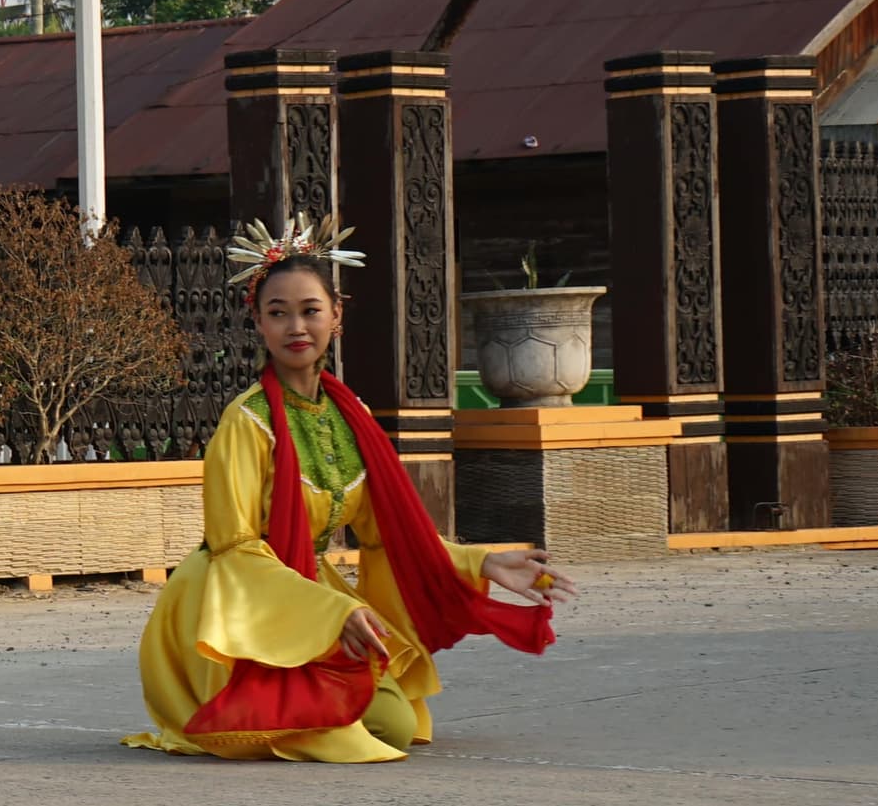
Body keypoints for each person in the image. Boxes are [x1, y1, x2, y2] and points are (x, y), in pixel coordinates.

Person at [130, 221, 573, 764]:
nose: (297, 326)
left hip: (313, 586)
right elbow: (234, 546)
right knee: (373, 729)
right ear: (258, 323)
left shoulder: (353, 416)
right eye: (278, 312)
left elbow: (388, 535)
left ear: (336, 316)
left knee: (398, 724)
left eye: (310, 310)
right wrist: (331, 611)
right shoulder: (245, 422)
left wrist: (481, 562)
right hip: (238, 598)